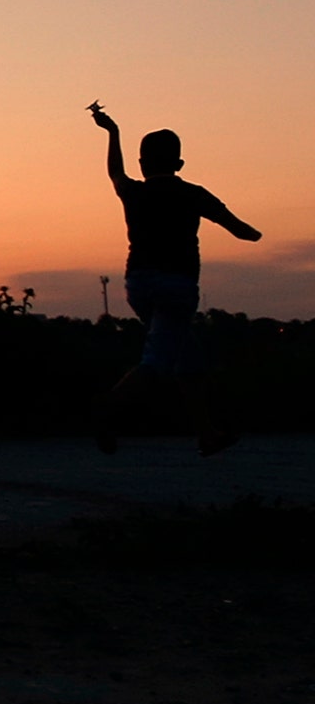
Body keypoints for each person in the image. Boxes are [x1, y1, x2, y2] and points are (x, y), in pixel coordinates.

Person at [90, 103, 261, 455]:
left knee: (189, 359)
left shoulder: (133, 192)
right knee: (157, 362)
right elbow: (239, 230)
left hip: (138, 283)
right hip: (177, 287)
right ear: (179, 164)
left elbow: (114, 172)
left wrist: (113, 133)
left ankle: (207, 434)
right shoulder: (192, 194)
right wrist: (256, 235)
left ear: (143, 163)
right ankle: (105, 413)